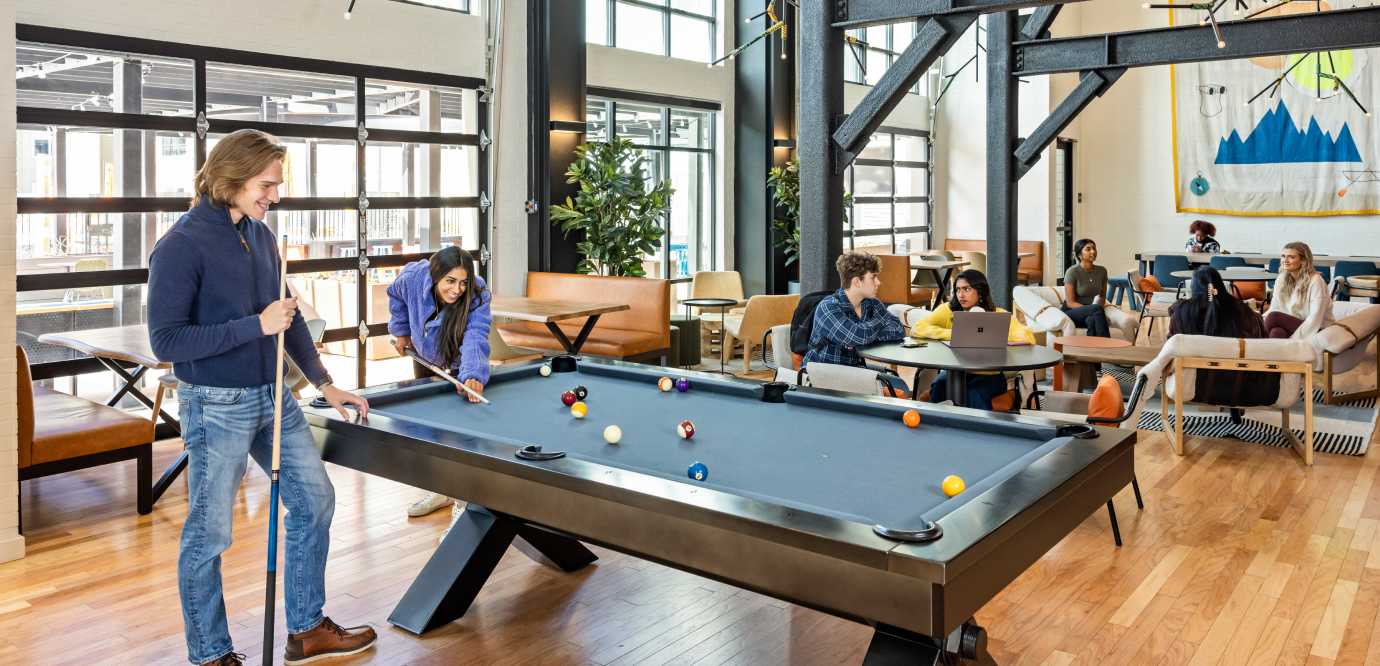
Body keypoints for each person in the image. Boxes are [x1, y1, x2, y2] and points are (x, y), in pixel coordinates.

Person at [148, 129, 377, 666]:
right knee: (210, 534)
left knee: (316, 499)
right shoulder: (179, 246)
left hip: (274, 396)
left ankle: (307, 629)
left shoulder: (260, 235)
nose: (274, 195)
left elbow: (287, 317)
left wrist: (324, 382)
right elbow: (167, 341)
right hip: (216, 403)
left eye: (277, 185)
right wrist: (254, 325)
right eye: (266, 184)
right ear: (230, 177)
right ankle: (210, 654)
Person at [388, 247, 492, 524]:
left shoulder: (478, 294)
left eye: (463, 282)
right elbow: (395, 294)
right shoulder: (412, 278)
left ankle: (463, 503)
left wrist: (471, 374)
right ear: (434, 276)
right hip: (424, 356)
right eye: (450, 281)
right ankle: (442, 491)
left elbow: (476, 334)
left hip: (460, 362)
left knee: (460, 434)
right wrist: (401, 331)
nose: (458, 289)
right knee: (429, 429)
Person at [911, 269, 1036, 409]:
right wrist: (954, 333)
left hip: (989, 375)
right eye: (958, 290)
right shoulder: (948, 310)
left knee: (975, 394)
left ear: (980, 291)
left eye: (966, 289)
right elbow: (918, 327)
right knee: (940, 386)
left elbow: (1027, 336)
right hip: (955, 373)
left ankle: (978, 429)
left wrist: (993, 334)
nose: (961, 295)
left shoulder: (997, 315)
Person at [1169, 266, 1278, 406]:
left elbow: (1171, 349)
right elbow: (1261, 346)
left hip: (1194, 387)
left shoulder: (1181, 313)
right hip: (1242, 389)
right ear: (1220, 284)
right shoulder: (1245, 312)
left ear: (1193, 288)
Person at [801, 251, 907, 369]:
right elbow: (857, 336)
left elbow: (899, 329)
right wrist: (879, 324)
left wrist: (867, 334)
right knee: (890, 385)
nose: (878, 282)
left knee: (898, 383)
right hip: (822, 375)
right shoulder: (828, 307)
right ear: (857, 282)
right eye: (873, 277)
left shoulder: (872, 303)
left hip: (854, 372)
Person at [1264, 241, 1334, 339]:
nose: (1285, 260)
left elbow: (1315, 318)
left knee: (1274, 317)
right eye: (1283, 256)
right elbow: (1275, 307)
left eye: (1291, 257)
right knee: (1277, 332)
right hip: (1295, 324)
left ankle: (1254, 347)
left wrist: (1294, 340)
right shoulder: (1281, 279)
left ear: (1303, 261)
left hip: (1317, 328)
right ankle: (1273, 353)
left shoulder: (1316, 281)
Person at [1062, 238, 1111, 338]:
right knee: (1096, 310)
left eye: (1094, 248)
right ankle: (1108, 345)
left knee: (1092, 320)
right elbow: (1070, 302)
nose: (1093, 251)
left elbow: (1102, 297)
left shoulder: (1102, 271)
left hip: (1091, 311)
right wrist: (1093, 309)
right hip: (1071, 311)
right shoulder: (1072, 272)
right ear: (1079, 255)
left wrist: (1096, 311)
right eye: (1088, 249)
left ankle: (1092, 350)